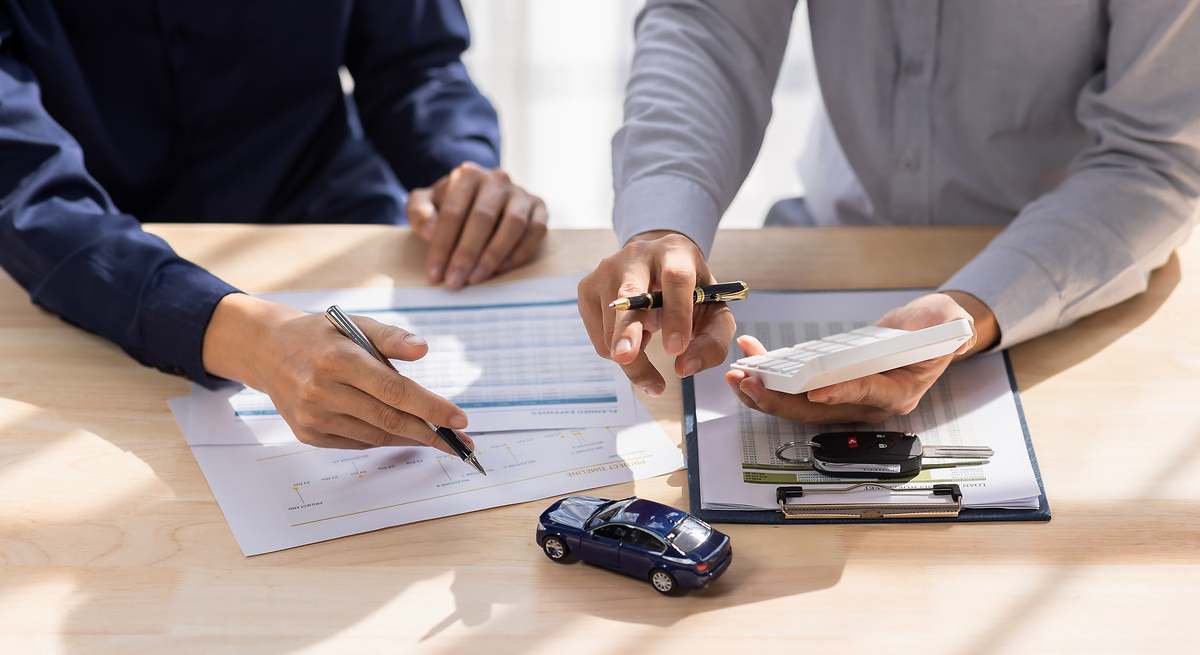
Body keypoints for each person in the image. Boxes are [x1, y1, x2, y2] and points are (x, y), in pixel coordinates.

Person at [579, 0, 1199, 423]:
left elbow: (1157, 154)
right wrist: (664, 219)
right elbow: (710, 22)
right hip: (833, 241)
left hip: (1076, 289)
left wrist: (971, 313)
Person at [0, 1, 548, 452]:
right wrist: (248, 339)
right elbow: (26, 189)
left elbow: (416, 62)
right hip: (89, 268)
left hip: (336, 223)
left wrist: (459, 171)